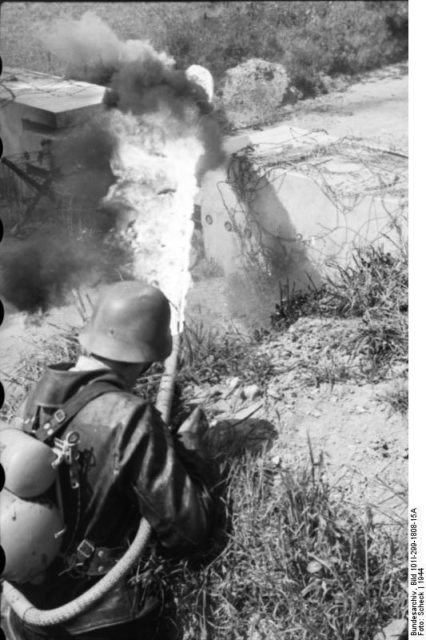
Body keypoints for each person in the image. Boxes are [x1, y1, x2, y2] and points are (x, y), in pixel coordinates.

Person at [3, 280, 219, 640]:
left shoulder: (37, 394)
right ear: (147, 356)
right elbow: (188, 532)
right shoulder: (128, 416)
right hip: (101, 619)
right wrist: (193, 450)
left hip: (31, 614)